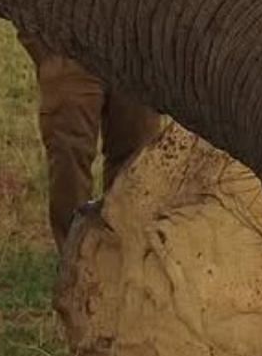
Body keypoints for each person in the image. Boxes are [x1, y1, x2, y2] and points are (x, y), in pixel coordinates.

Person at [20, 30, 162, 245]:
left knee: (138, 156)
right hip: (67, 48)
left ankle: (126, 251)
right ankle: (74, 257)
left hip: (132, 49)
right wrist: (49, 52)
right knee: (68, 156)